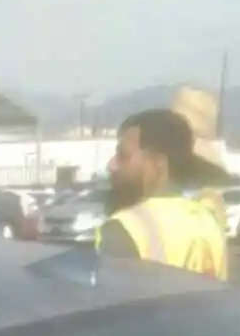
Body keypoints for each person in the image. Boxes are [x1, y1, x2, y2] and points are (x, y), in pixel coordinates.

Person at [95, 108, 232, 281]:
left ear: (157, 163)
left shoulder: (125, 226)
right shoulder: (208, 221)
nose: (111, 165)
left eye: (123, 156)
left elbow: (112, 301)